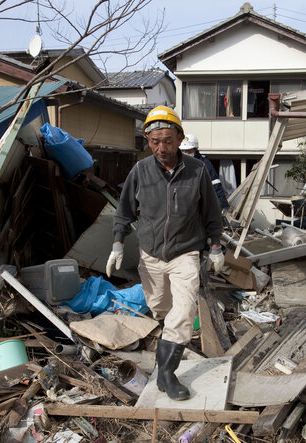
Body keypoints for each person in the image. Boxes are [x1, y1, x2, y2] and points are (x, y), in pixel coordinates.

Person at [106, 106, 224, 401]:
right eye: (154, 141)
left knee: (183, 312)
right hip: (151, 255)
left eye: (168, 140)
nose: (161, 147)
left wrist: (216, 246)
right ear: (148, 141)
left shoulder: (196, 171)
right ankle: (169, 343)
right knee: (161, 309)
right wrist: (118, 243)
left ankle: (167, 375)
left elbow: (212, 212)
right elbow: (123, 213)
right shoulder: (140, 171)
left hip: (185, 253)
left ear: (180, 138)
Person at [179, 134, 230, 210]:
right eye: (183, 150)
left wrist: (223, 205)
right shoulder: (176, 162)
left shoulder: (203, 163)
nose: (186, 153)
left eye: (188, 150)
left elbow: (215, 184)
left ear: (195, 149)